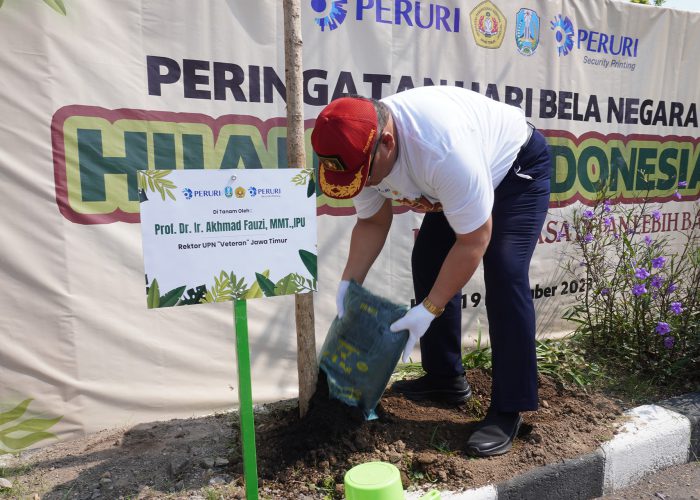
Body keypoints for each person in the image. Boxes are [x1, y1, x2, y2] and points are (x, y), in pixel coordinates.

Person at [311, 86, 551, 457]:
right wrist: (348, 284)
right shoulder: (359, 152)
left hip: (514, 167)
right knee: (429, 258)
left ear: (387, 142)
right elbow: (373, 222)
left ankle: (509, 407)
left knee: (505, 270)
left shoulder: (441, 149)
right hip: (458, 180)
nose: (365, 184)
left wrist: (429, 309)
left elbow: (474, 240)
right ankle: (445, 379)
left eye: (366, 175)